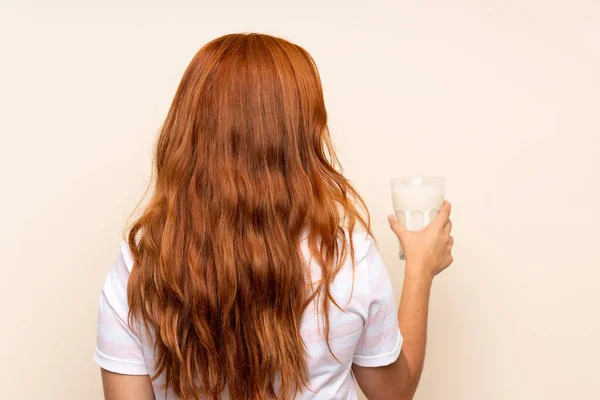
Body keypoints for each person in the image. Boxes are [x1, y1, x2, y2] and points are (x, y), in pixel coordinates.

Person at [94, 33, 454, 400]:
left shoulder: (136, 271)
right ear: (300, 139)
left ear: (189, 134)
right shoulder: (349, 259)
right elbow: (393, 394)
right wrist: (419, 269)